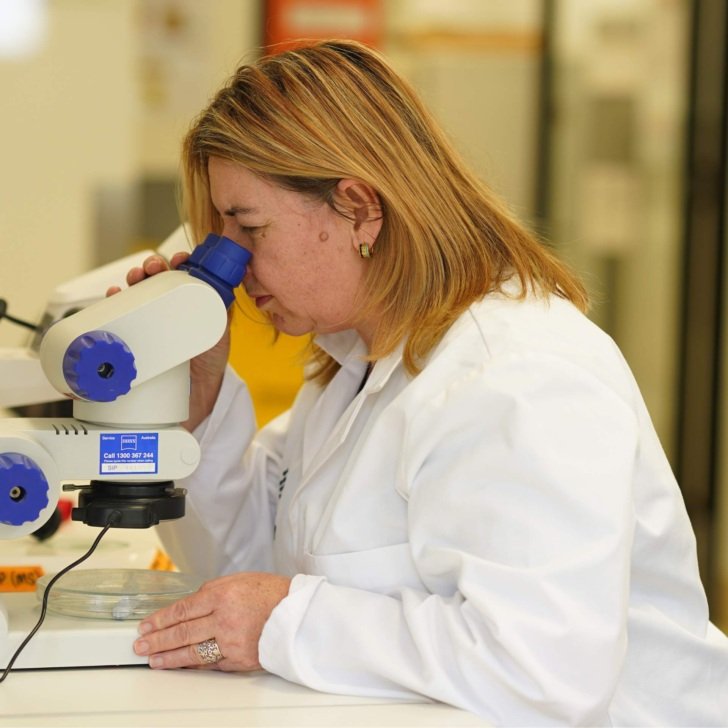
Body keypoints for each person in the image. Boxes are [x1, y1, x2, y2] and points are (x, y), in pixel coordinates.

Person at [123, 39, 728, 724]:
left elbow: (545, 671)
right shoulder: (356, 365)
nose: (229, 265)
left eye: (248, 229)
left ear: (359, 208)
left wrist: (290, 620)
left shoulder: (520, 374)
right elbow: (245, 573)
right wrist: (195, 406)